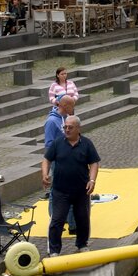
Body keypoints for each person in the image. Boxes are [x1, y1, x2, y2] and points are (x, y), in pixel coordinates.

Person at [41, 116, 99, 257]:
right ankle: (54, 250)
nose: (67, 130)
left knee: (82, 218)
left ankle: (82, 244)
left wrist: (92, 180)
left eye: (70, 127)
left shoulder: (87, 144)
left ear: (78, 128)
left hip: (81, 190)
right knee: (57, 220)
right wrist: (45, 174)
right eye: (65, 127)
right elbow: (46, 159)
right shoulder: (58, 143)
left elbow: (94, 163)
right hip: (61, 190)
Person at [43, 95, 77, 235]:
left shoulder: (65, 118)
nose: (73, 108)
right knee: (56, 191)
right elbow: (49, 145)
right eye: (72, 106)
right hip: (58, 161)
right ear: (65, 106)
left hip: (68, 159)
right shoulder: (52, 122)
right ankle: (54, 219)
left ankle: (68, 220)